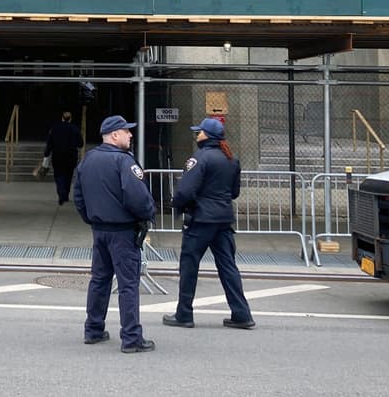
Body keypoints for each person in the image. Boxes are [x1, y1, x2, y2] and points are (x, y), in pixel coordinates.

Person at [73, 114, 157, 354]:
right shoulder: (124, 161)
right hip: (122, 232)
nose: (131, 135)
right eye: (127, 131)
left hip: (99, 231)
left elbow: (78, 196)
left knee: (99, 280)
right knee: (128, 284)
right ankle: (131, 338)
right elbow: (137, 197)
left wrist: (91, 218)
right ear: (114, 135)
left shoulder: (88, 159)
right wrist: (148, 213)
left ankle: (93, 330)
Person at [162, 117, 256, 331]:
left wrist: (177, 204)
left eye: (199, 132)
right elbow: (234, 192)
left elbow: (186, 190)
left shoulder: (200, 158)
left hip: (201, 220)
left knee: (189, 266)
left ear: (207, 135)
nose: (197, 135)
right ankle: (241, 313)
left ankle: (184, 313)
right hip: (223, 219)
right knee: (228, 266)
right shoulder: (231, 159)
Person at [44, 110, 84, 205]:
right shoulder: (75, 129)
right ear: (70, 119)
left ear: (62, 118)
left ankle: (61, 192)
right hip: (70, 156)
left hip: (57, 155)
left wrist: (46, 153)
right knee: (68, 175)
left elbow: (49, 142)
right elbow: (80, 144)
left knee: (58, 175)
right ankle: (65, 194)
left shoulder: (55, 128)